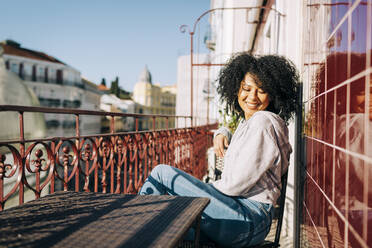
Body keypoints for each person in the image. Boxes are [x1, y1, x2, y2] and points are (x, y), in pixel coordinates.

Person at [139, 52, 299, 247]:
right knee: (164, 224)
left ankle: (132, 231)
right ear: (236, 90)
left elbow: (236, 183)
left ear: (273, 94)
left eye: (261, 90)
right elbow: (248, 149)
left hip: (247, 220)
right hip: (243, 220)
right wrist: (223, 131)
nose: (252, 96)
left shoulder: (263, 122)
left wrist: (196, 190)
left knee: (162, 174)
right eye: (246, 89)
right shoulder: (253, 122)